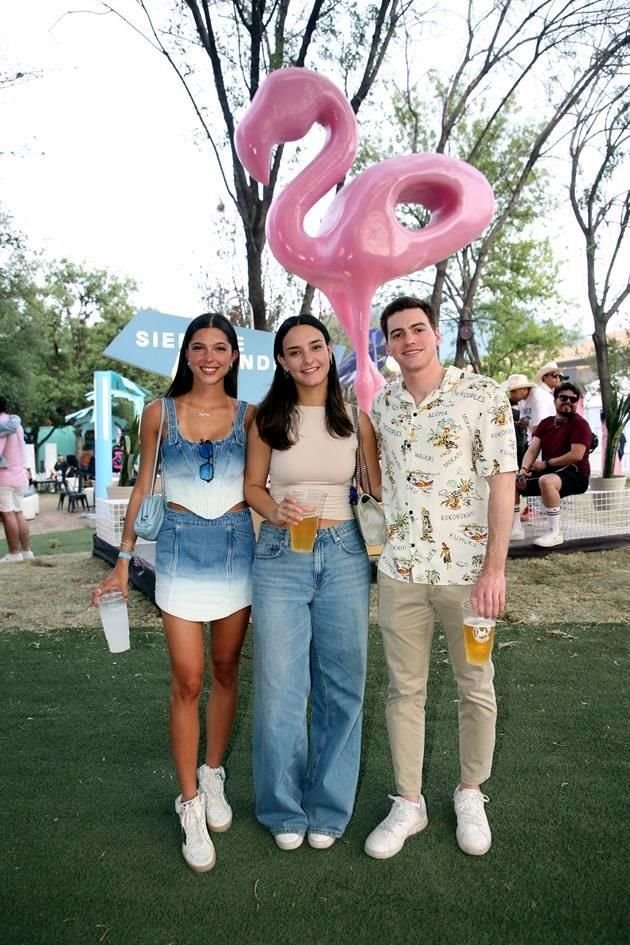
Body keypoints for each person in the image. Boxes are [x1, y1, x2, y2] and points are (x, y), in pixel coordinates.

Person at [92, 313, 256, 873]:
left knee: (227, 668)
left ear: (234, 357)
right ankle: (188, 801)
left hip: (237, 548)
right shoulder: (158, 413)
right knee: (188, 679)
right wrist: (121, 560)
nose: (209, 356)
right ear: (185, 354)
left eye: (220, 348)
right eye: (199, 347)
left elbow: (261, 486)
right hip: (181, 550)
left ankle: (213, 774)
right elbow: (143, 485)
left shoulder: (251, 416)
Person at [363, 296, 516, 861]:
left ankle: (470, 791)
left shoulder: (483, 395)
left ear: (436, 332)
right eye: (396, 334)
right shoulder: (384, 403)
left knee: (475, 685)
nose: (408, 341)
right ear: (387, 344)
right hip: (400, 571)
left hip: (469, 575)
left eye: (417, 329)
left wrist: (495, 569)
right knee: (404, 690)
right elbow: (377, 478)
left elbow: (503, 482)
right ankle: (409, 801)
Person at [244, 314, 380, 852]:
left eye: (316, 346)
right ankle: (282, 808)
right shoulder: (266, 419)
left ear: (329, 350)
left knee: (343, 685)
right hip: (281, 554)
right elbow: (253, 485)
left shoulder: (355, 419)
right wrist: (274, 510)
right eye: (294, 351)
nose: (308, 358)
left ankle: (328, 807)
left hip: (345, 552)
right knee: (280, 687)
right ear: (281, 361)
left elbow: (371, 488)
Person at [517, 382, 591, 548]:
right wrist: (523, 471)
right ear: (555, 399)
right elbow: (532, 450)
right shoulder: (546, 423)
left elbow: (576, 455)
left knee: (546, 481)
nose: (568, 402)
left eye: (573, 399)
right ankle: (515, 528)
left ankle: (554, 532)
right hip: (550, 472)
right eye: (563, 397)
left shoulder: (580, 424)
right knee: (513, 482)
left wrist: (546, 464)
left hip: (576, 475)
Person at [0, 396, 35, 563]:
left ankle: (14, 553)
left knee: (7, 514)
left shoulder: (1, 426)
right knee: (18, 512)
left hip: (4, 477)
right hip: (20, 475)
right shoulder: (16, 424)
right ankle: (26, 551)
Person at [502, 373, 535, 541]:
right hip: (521, 449)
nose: (511, 394)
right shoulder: (522, 405)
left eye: (513, 391)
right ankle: (515, 524)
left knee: (517, 484)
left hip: (525, 450)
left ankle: (518, 522)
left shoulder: (537, 401)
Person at [520, 361, 568, 437]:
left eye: (559, 376)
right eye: (554, 375)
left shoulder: (552, 393)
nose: (558, 378)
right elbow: (539, 422)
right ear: (544, 377)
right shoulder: (539, 394)